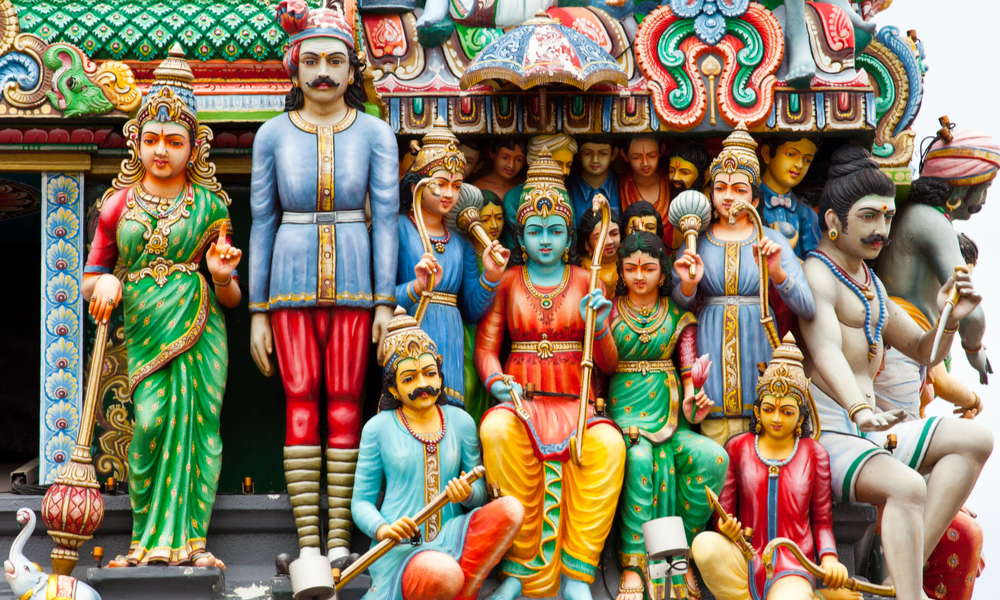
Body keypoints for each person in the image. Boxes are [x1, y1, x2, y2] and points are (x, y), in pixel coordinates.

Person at [797, 145, 993, 600]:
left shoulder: (872, 285)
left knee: (976, 440)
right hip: (832, 433)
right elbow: (823, 349)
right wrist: (861, 408)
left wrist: (949, 316)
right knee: (905, 486)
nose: (881, 231)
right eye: (868, 217)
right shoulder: (818, 273)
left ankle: (895, 580)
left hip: (872, 431)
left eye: (887, 217)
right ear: (832, 221)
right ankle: (908, 595)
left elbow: (924, 351)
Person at [248, 0, 399, 562]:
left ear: (353, 69)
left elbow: (384, 218)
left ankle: (339, 538)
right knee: (300, 399)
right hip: (289, 273)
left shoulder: (377, 134)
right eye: (311, 59)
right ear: (294, 66)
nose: (323, 72)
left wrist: (385, 300)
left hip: (359, 281)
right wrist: (258, 309)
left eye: (336, 60)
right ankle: (308, 539)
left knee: (344, 401)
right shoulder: (271, 135)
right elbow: (262, 220)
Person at [83, 48, 239, 569]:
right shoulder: (118, 204)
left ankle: (192, 540)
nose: (162, 151)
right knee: (148, 427)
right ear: (136, 141)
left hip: (199, 329)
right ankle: (144, 540)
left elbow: (231, 294)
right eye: (151, 139)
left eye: (175, 141)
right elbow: (89, 277)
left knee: (198, 430)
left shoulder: (210, 205)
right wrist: (104, 280)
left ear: (193, 147)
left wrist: (219, 278)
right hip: (146, 330)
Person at [475, 151, 626, 600]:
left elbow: (608, 363)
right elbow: (486, 349)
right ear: (521, 236)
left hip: (574, 403)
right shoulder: (508, 281)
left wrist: (597, 325)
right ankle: (522, 568)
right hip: (522, 403)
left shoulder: (587, 280)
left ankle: (577, 573)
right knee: (497, 429)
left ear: (569, 237)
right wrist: (496, 383)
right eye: (536, 231)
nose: (545, 240)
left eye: (555, 231)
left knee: (608, 446)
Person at [352, 309, 524, 600]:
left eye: (430, 373)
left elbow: (481, 491)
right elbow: (361, 503)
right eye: (410, 378)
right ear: (393, 387)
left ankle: (465, 592)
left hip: (454, 534)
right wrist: (383, 529)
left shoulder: (460, 421)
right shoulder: (378, 429)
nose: (423, 385)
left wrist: (467, 493)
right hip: (403, 548)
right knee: (443, 574)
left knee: (510, 510)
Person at [672, 124, 815, 446]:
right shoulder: (698, 241)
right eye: (720, 187)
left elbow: (807, 306)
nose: (728, 197)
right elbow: (676, 305)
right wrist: (688, 286)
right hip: (711, 334)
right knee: (713, 432)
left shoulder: (771, 239)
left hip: (758, 337)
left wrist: (777, 273)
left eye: (739, 189)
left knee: (759, 432)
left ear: (754, 194)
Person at [609, 231, 727, 600]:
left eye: (648, 268)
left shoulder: (679, 319)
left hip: (670, 418)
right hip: (623, 421)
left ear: (664, 274)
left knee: (712, 457)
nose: (639, 276)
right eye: (630, 269)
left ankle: (679, 557)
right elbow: (596, 371)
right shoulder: (608, 313)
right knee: (641, 460)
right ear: (620, 272)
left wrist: (695, 403)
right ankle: (633, 565)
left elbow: (690, 373)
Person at [691, 334, 855, 600]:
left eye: (787, 412)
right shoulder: (738, 447)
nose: (776, 418)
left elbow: (822, 521)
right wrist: (726, 528)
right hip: (746, 561)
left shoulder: (814, 454)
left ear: (801, 415)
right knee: (704, 546)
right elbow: (724, 514)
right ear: (757, 412)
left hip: (793, 567)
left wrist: (829, 559)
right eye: (768, 409)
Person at [395, 119, 509, 408]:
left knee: (450, 413)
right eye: (440, 184)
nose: (449, 194)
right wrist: (415, 287)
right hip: (410, 330)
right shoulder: (397, 229)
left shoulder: (459, 242)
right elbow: (379, 298)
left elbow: (471, 310)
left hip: (451, 332)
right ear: (418, 185)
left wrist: (491, 277)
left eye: (456, 186)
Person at [501, 134, 577, 248]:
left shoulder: (563, 195)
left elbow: (572, 240)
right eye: (558, 164)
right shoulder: (514, 197)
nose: (564, 172)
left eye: (569, 165)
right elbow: (515, 246)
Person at [759, 137, 821, 258]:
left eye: (807, 160)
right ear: (766, 153)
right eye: (790, 154)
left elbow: (813, 262)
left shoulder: (806, 214)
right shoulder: (749, 203)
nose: (799, 165)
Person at [620, 137, 680, 249]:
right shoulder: (621, 185)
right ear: (624, 155)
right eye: (636, 157)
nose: (645, 163)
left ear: (661, 150)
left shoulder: (672, 181)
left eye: (651, 156)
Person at [566, 138, 620, 225]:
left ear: (613, 154)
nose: (595, 160)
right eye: (587, 153)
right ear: (578, 155)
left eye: (603, 154)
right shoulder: (568, 187)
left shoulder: (621, 185)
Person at [577, 208, 622, 293]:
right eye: (599, 238)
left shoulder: (626, 262)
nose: (609, 241)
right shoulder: (582, 267)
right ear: (586, 243)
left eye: (614, 234)